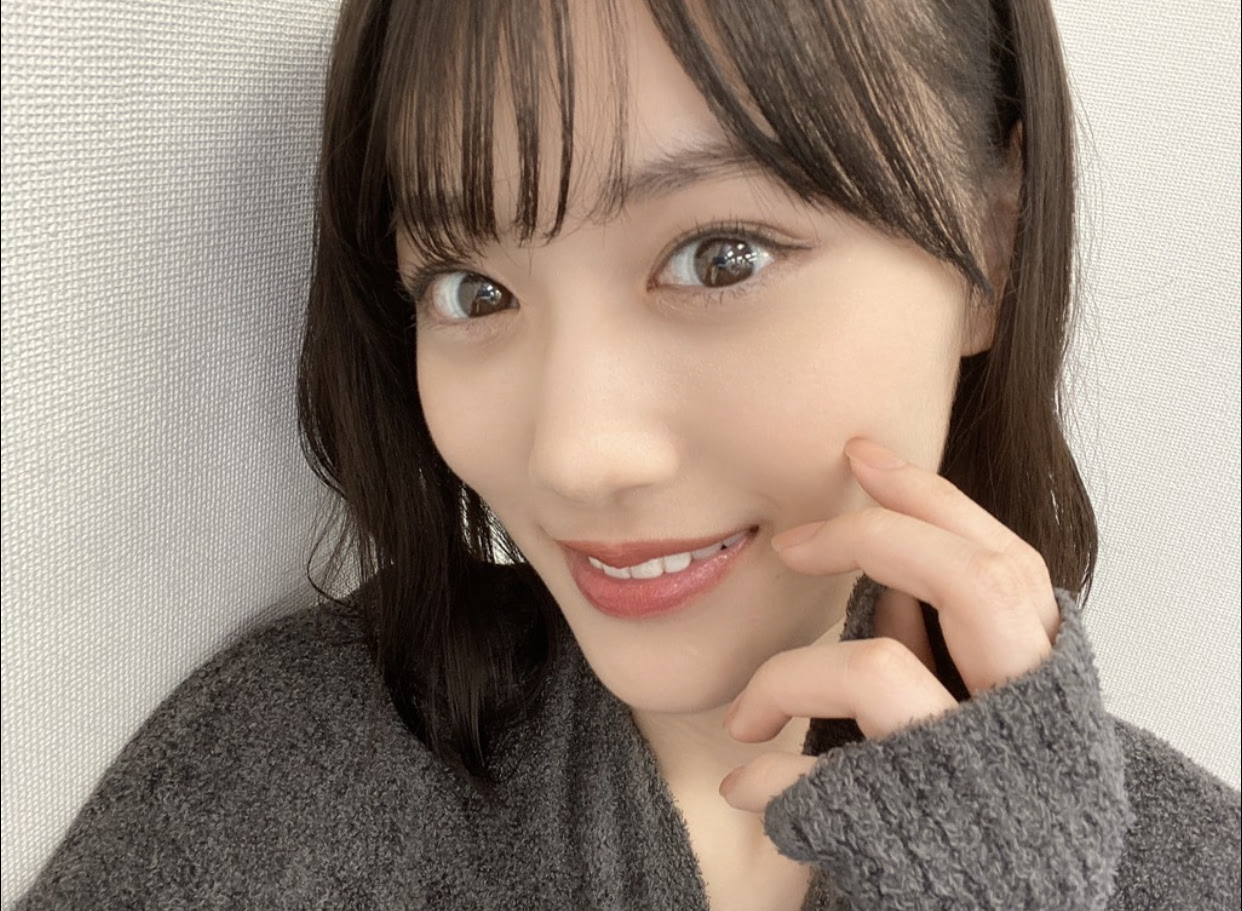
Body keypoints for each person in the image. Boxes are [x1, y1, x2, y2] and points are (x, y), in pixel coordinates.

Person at [16, 0, 1241, 909]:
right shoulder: (292, 773)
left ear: (994, 240)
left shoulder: (1191, 863)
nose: (574, 454)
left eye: (721, 256)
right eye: (474, 287)